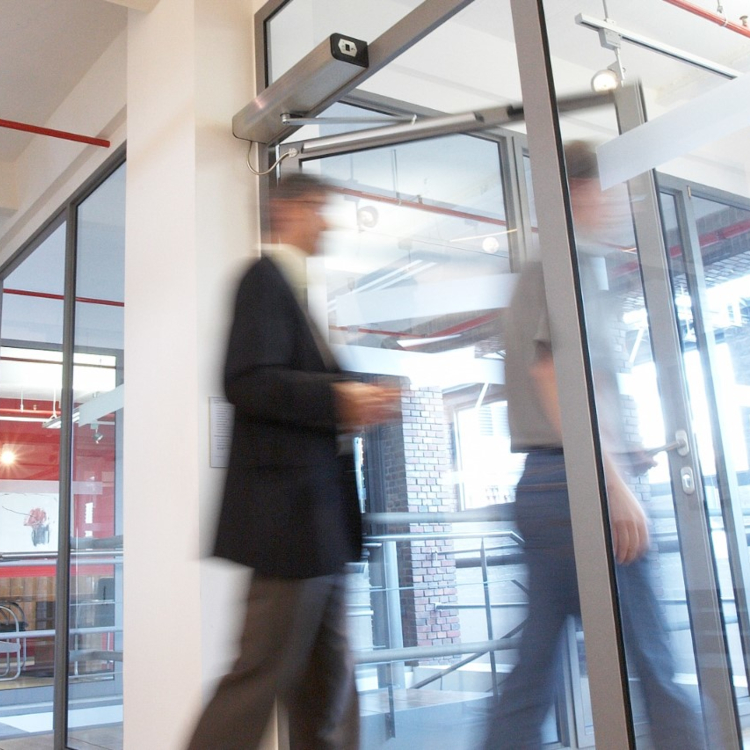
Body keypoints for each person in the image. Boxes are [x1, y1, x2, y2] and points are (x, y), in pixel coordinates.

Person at [483, 141, 706, 750]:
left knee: (533, 674)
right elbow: (555, 377)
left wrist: (623, 455)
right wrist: (615, 485)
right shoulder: (566, 265)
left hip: (549, 484)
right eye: (613, 190)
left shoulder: (551, 268)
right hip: (575, 487)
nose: (620, 204)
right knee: (655, 661)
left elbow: (576, 385)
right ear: (580, 191)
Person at [186, 173, 399, 750]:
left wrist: (355, 395)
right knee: (257, 680)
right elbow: (247, 380)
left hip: (320, 526)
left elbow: (293, 382)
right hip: (289, 526)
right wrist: (339, 399)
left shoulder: (300, 294)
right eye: (318, 208)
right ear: (287, 210)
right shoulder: (263, 279)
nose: (327, 221)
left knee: (326, 690)